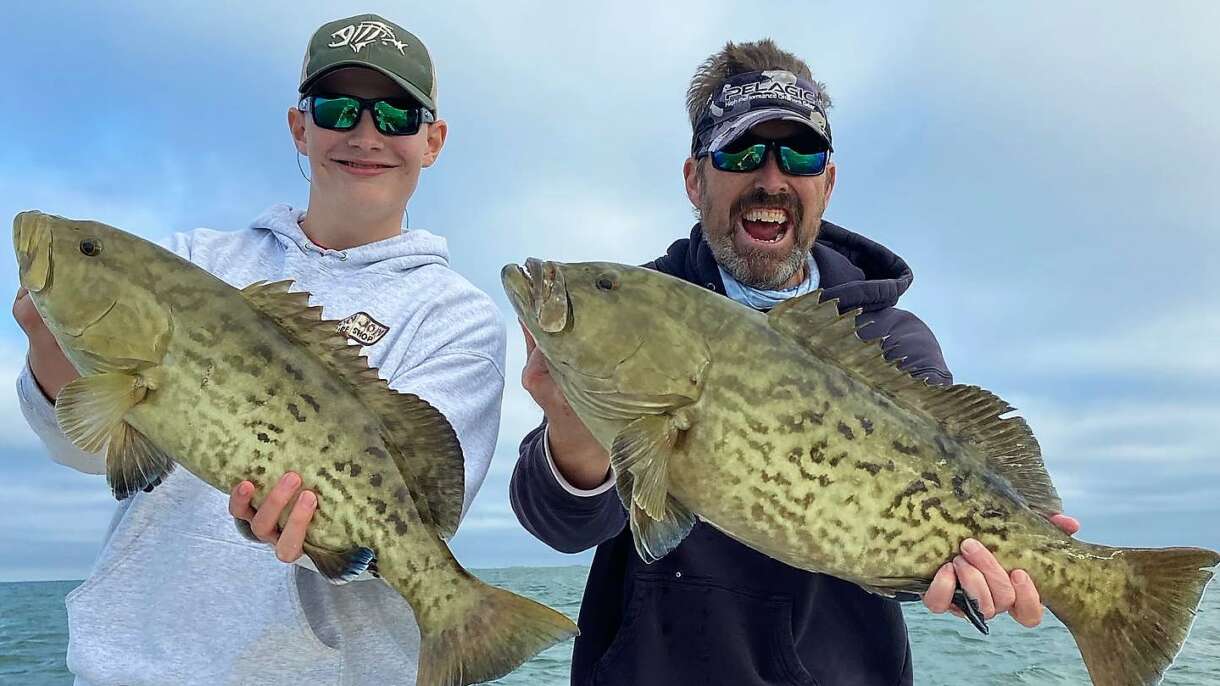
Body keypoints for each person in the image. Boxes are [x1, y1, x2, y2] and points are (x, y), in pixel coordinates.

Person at [509, 40, 1079, 685]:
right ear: (696, 178)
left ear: (827, 182)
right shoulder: (651, 303)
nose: (771, 179)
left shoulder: (889, 339)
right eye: (741, 151)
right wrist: (573, 431)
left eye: (800, 154)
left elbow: (914, 552)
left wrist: (980, 578)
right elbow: (558, 524)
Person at [14, 13, 506, 685]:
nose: (366, 134)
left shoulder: (458, 316)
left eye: (396, 113)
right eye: (337, 109)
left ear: (433, 140)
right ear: (300, 127)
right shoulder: (198, 260)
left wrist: (326, 535)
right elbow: (86, 449)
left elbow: (419, 515)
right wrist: (52, 341)